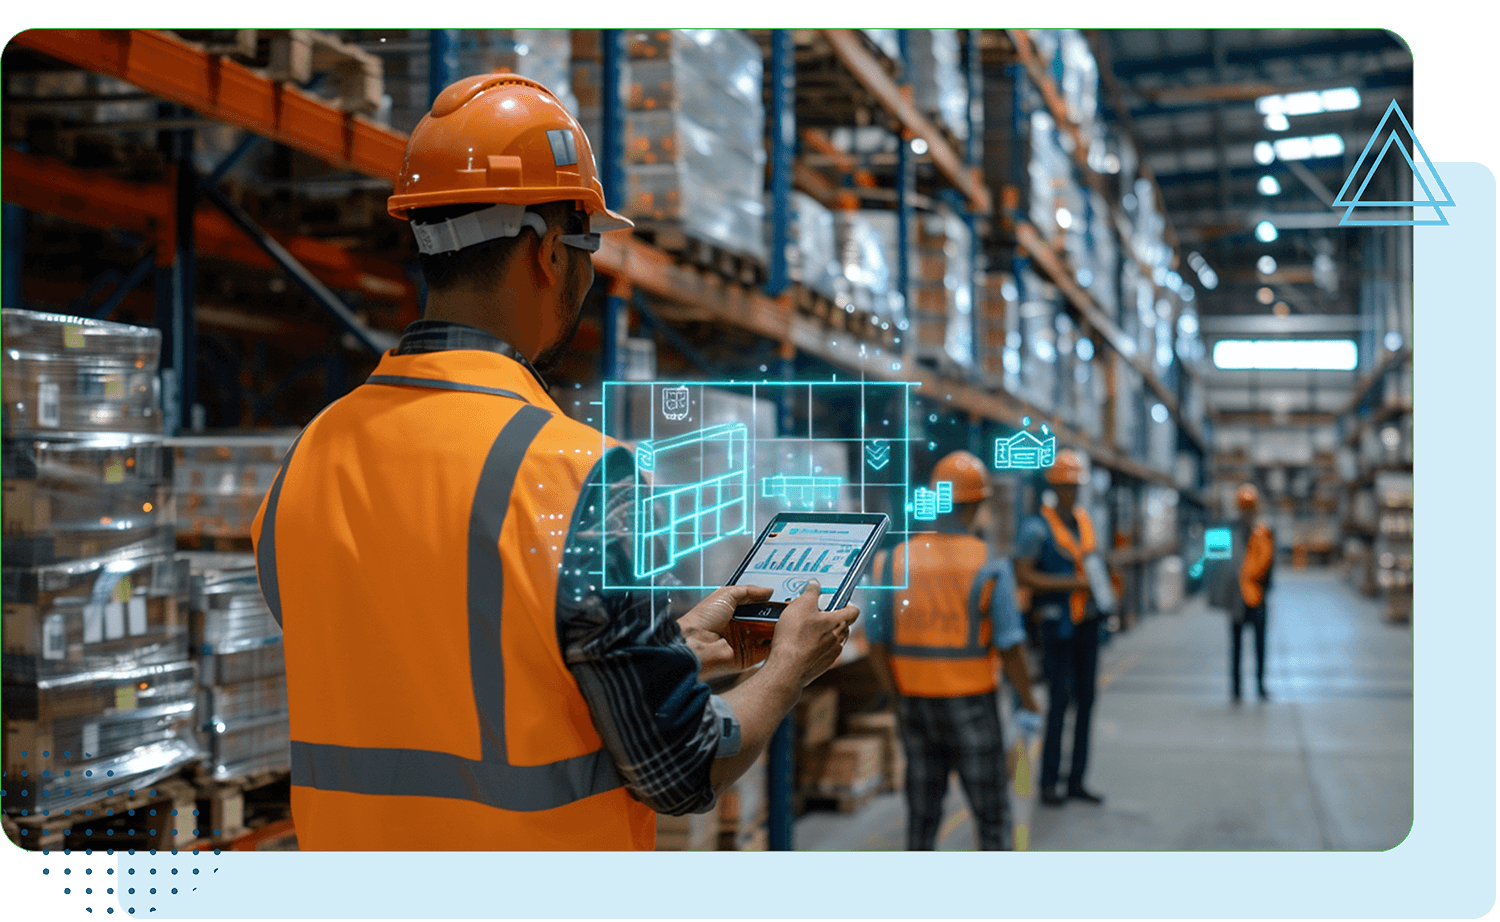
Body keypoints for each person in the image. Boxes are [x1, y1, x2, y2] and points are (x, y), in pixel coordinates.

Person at [250, 74, 857, 850]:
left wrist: (666, 642)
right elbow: (683, 770)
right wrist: (789, 666)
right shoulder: (574, 473)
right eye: (586, 246)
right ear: (546, 252)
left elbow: (442, 662)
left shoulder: (309, 459)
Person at [866, 450, 1044, 850]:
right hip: (972, 706)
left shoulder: (890, 562)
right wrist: (1029, 702)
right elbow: (1011, 647)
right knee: (992, 815)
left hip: (914, 704)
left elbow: (875, 642)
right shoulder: (989, 563)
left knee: (922, 817)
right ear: (977, 504)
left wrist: (897, 699)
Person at [1015, 448, 1107, 807]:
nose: (1072, 493)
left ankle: (1076, 781)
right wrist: (1070, 586)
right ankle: (1049, 782)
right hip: (1056, 628)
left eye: (1076, 486)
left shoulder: (1084, 521)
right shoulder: (1036, 528)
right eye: (1066, 486)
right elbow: (1023, 574)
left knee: (1086, 702)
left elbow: (1092, 560)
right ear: (1053, 487)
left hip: (1087, 624)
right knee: (1058, 703)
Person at [1224, 483, 1276, 702]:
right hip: (1237, 596)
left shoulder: (1263, 532)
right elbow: (1221, 563)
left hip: (1257, 596)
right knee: (1236, 645)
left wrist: (1264, 587)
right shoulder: (1230, 531)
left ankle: (1259, 685)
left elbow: (1268, 564)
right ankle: (1236, 688)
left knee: (1259, 645)